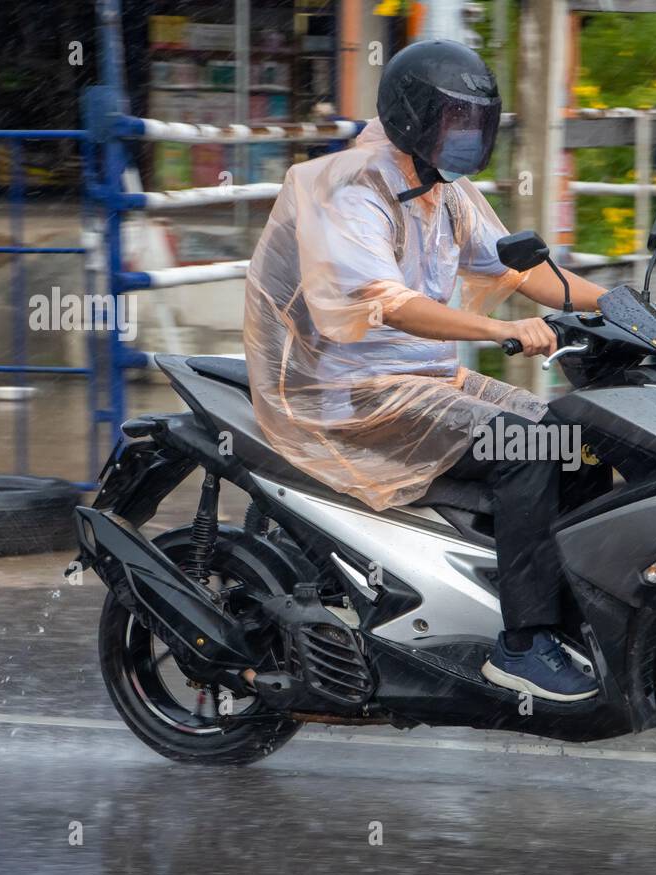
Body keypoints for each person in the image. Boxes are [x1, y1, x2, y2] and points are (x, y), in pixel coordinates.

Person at [243, 39, 609, 701]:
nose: (468, 136)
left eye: (476, 122)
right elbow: (388, 303)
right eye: (455, 121)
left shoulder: (443, 190)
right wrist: (499, 330)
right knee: (529, 450)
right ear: (415, 119)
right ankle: (522, 646)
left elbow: (519, 270)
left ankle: (550, 609)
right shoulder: (351, 187)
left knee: (577, 438)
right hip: (346, 392)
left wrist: (618, 307)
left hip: (421, 382)